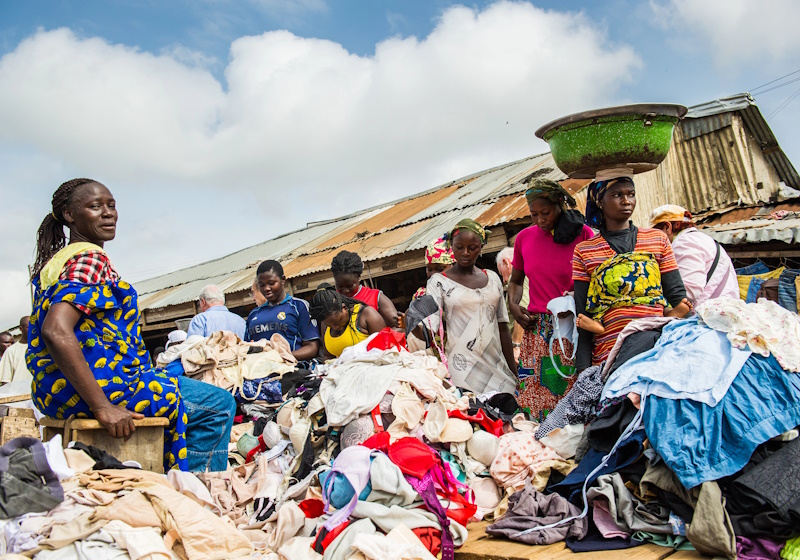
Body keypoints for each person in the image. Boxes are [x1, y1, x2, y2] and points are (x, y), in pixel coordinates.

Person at [27, 178, 235, 471]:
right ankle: (198, 487)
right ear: (69, 215)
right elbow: (55, 330)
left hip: (57, 395)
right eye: (95, 206)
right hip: (106, 391)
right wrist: (102, 406)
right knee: (218, 404)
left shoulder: (56, 263)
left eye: (111, 205)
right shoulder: (90, 259)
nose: (108, 213)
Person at [573, 177, 692, 372]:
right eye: (617, 195)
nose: (626, 201)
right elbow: (584, 316)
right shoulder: (585, 251)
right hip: (611, 353)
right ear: (600, 201)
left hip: (657, 346)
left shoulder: (658, 239)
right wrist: (583, 371)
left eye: (631, 194)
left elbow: (678, 296)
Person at [506, 179, 595, 419]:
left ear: (560, 204)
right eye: (534, 214)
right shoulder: (524, 239)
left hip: (572, 328)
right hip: (537, 330)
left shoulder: (583, 234)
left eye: (545, 213)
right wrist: (513, 305)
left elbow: (594, 280)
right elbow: (516, 281)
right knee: (533, 401)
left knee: (569, 396)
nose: (540, 220)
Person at [425, 219, 518, 394]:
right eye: (459, 247)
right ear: (451, 247)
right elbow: (429, 327)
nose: (466, 253)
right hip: (462, 370)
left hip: (497, 369)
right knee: (471, 409)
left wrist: (514, 372)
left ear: (481, 247)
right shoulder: (438, 283)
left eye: (473, 247)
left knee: (508, 408)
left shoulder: (493, 279)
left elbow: (502, 327)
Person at [649, 204, 739, 308]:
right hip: (724, 309)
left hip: (711, 313)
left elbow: (688, 292)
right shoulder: (703, 239)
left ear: (667, 227)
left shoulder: (684, 243)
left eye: (656, 233)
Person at [244, 260, 320, 361]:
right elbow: (245, 348)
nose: (266, 288)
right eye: (262, 285)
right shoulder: (253, 315)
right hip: (260, 368)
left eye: (271, 283)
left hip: (292, 368)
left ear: (283, 279)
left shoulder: (298, 306)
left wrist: (281, 357)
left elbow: (312, 347)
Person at [310, 284, 386, 358]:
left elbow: (385, 349)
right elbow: (327, 356)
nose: (335, 327)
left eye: (337, 322)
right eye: (330, 325)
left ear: (344, 308)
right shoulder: (327, 322)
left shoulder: (367, 314)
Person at [331, 250, 401, 328]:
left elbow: (398, 326)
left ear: (359, 278)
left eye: (350, 286)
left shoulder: (375, 297)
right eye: (340, 286)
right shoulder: (331, 302)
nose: (345, 291)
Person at [0, 316, 31, 387]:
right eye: (29, 327)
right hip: (19, 393)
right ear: (21, 329)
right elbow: (6, 381)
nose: (34, 329)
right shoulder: (11, 351)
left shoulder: (42, 347)